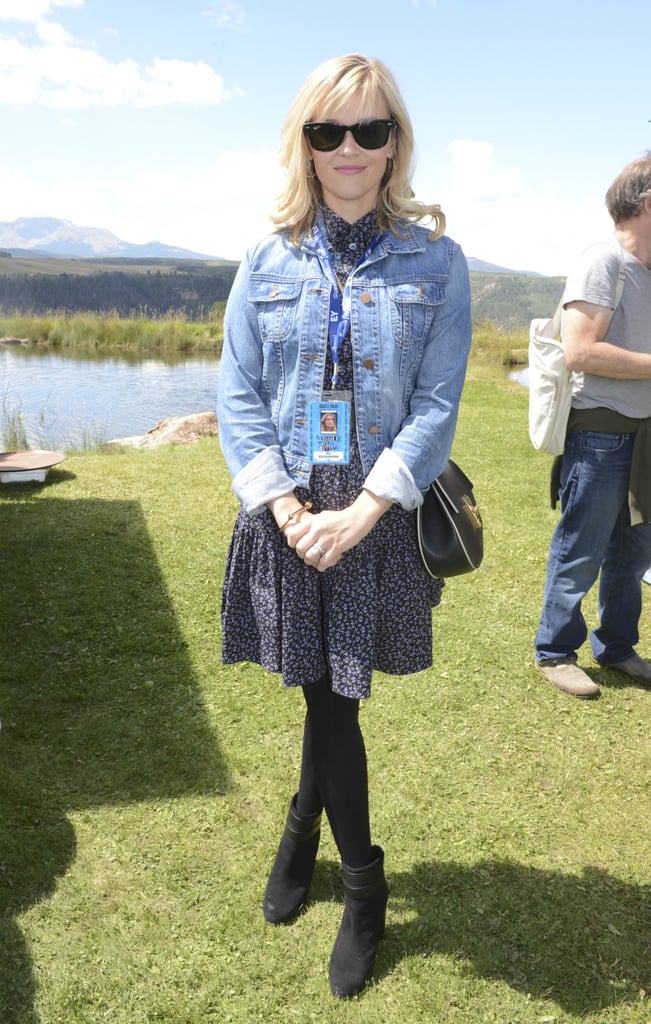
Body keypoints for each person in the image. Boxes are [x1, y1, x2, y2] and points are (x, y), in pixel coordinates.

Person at [217, 53, 472, 998]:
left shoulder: (436, 263)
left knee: (333, 694)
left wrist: (361, 513)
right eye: (329, 132)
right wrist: (284, 504)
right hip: (287, 504)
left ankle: (355, 883)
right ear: (306, 145)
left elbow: (437, 407)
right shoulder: (266, 256)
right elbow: (237, 391)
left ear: (395, 142)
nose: (350, 150)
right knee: (320, 685)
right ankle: (311, 838)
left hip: (374, 509)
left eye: (370, 130)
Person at [534, 154, 651, 699]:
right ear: (647, 203)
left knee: (634, 554)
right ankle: (555, 652)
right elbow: (580, 351)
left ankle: (617, 646)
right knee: (581, 547)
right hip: (601, 434)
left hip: (645, 435)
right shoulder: (603, 262)